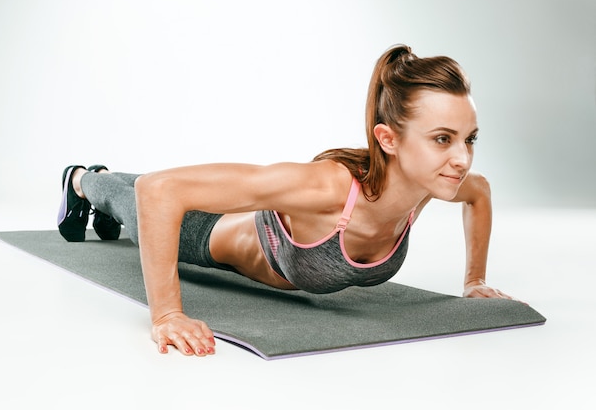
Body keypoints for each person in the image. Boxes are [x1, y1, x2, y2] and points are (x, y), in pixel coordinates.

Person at [57, 44, 515, 358]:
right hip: (202, 236)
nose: (461, 158)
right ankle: (81, 181)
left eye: (469, 139)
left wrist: (474, 280)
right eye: (442, 139)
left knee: (143, 194)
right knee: (129, 198)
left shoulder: (432, 184)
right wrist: (168, 315)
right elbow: (158, 191)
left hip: (240, 223)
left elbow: (482, 193)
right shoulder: (327, 188)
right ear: (388, 139)